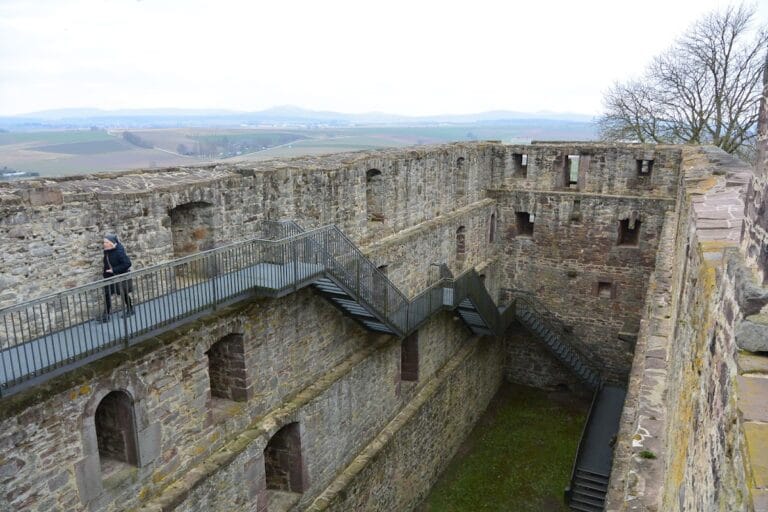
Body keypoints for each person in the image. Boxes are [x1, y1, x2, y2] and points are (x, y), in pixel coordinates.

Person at [101, 234, 134, 322]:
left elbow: (127, 263)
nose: (104, 244)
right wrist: (105, 275)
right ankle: (106, 315)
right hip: (109, 277)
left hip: (120, 276)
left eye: (106, 242)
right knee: (107, 294)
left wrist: (114, 270)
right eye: (104, 242)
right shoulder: (107, 251)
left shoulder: (119, 252)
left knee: (123, 293)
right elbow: (107, 263)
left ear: (112, 243)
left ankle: (130, 309)